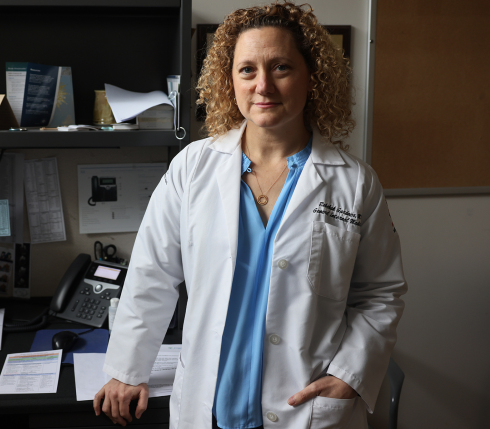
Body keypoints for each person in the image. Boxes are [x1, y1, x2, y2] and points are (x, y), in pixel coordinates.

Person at [94, 2, 407, 429]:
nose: (263, 86)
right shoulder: (192, 167)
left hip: (307, 406)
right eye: (247, 70)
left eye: (281, 67)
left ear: (311, 77)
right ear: (230, 82)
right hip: (212, 407)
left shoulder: (354, 183)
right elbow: (152, 272)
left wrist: (350, 374)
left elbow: (381, 293)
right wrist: (127, 370)